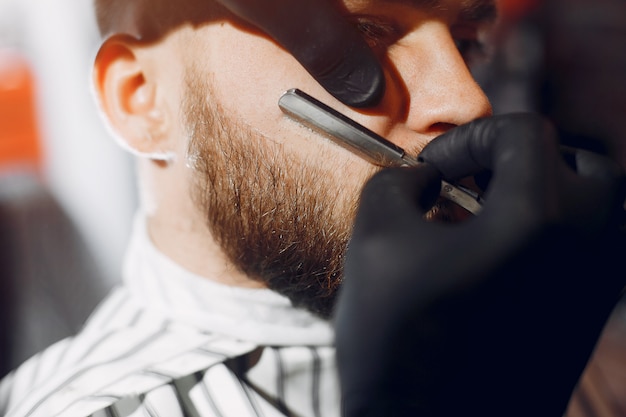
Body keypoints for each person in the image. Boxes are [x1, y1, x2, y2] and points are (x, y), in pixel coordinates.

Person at [1, 0, 624, 416]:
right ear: (142, 101)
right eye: (366, 35)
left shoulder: (534, 334)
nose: (465, 100)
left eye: (470, 41)